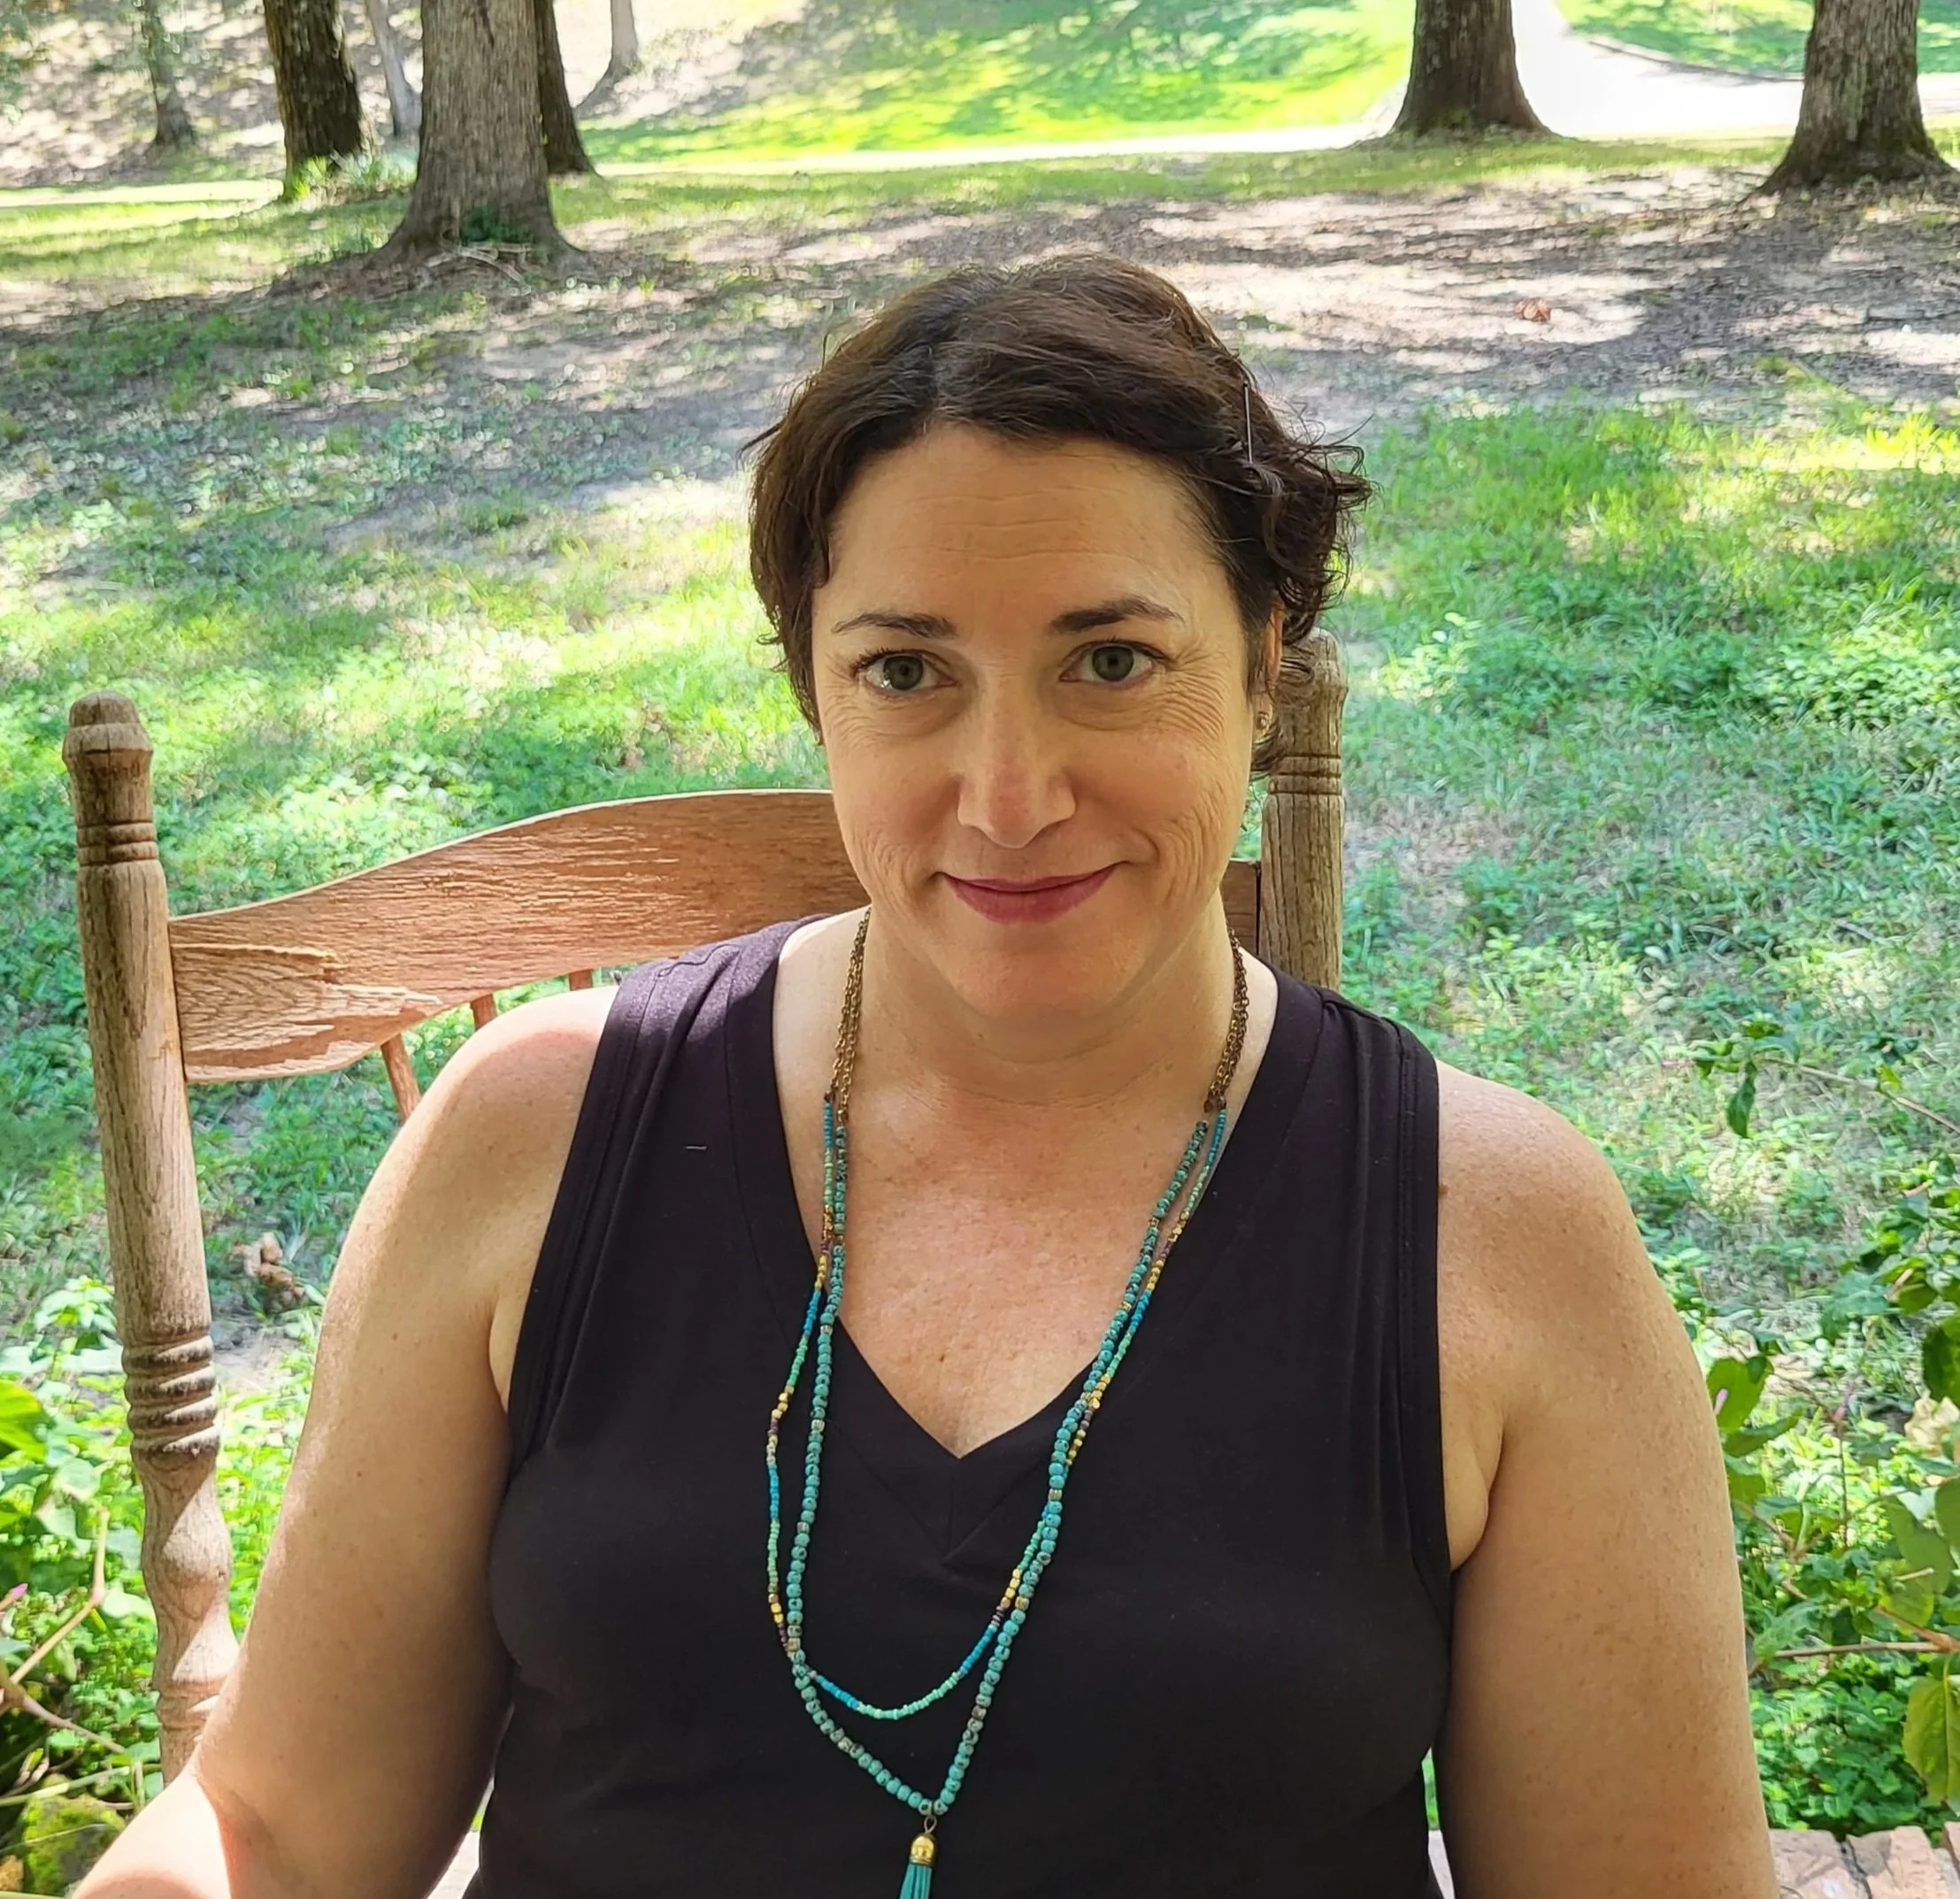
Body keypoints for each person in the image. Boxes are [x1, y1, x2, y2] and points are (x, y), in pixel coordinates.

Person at [81, 255, 1774, 1899]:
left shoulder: (1495, 1237)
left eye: (1110, 659)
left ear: (1265, 664)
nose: (1007, 791)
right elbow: (281, 1832)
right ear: (815, 693)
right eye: (906, 672)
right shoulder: (537, 1132)